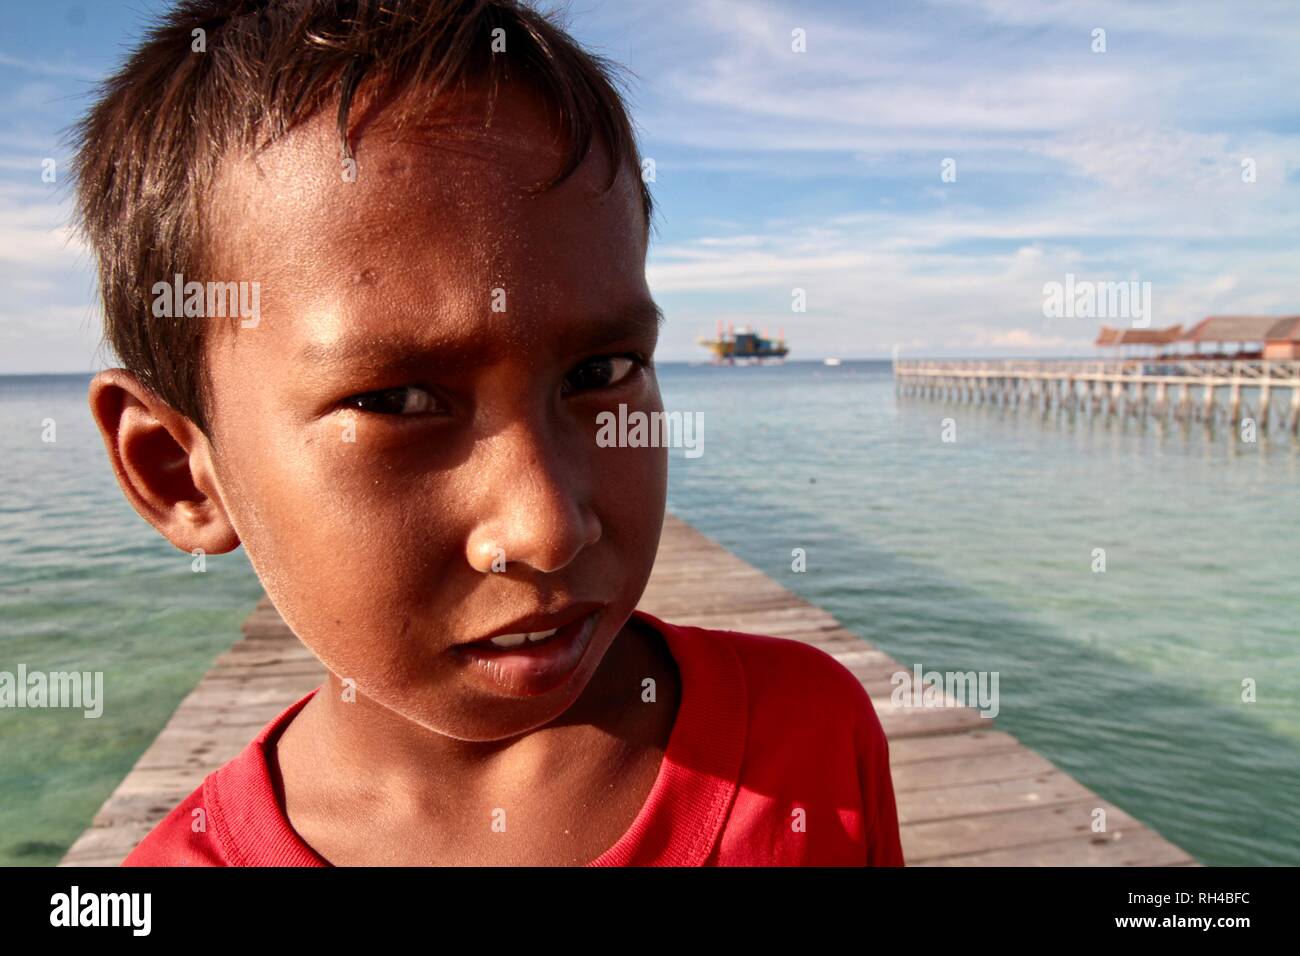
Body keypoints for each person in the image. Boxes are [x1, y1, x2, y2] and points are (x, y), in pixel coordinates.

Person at [74, 0, 904, 866]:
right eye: (394, 401)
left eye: (601, 372)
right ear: (179, 471)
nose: (547, 530)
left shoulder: (811, 734)